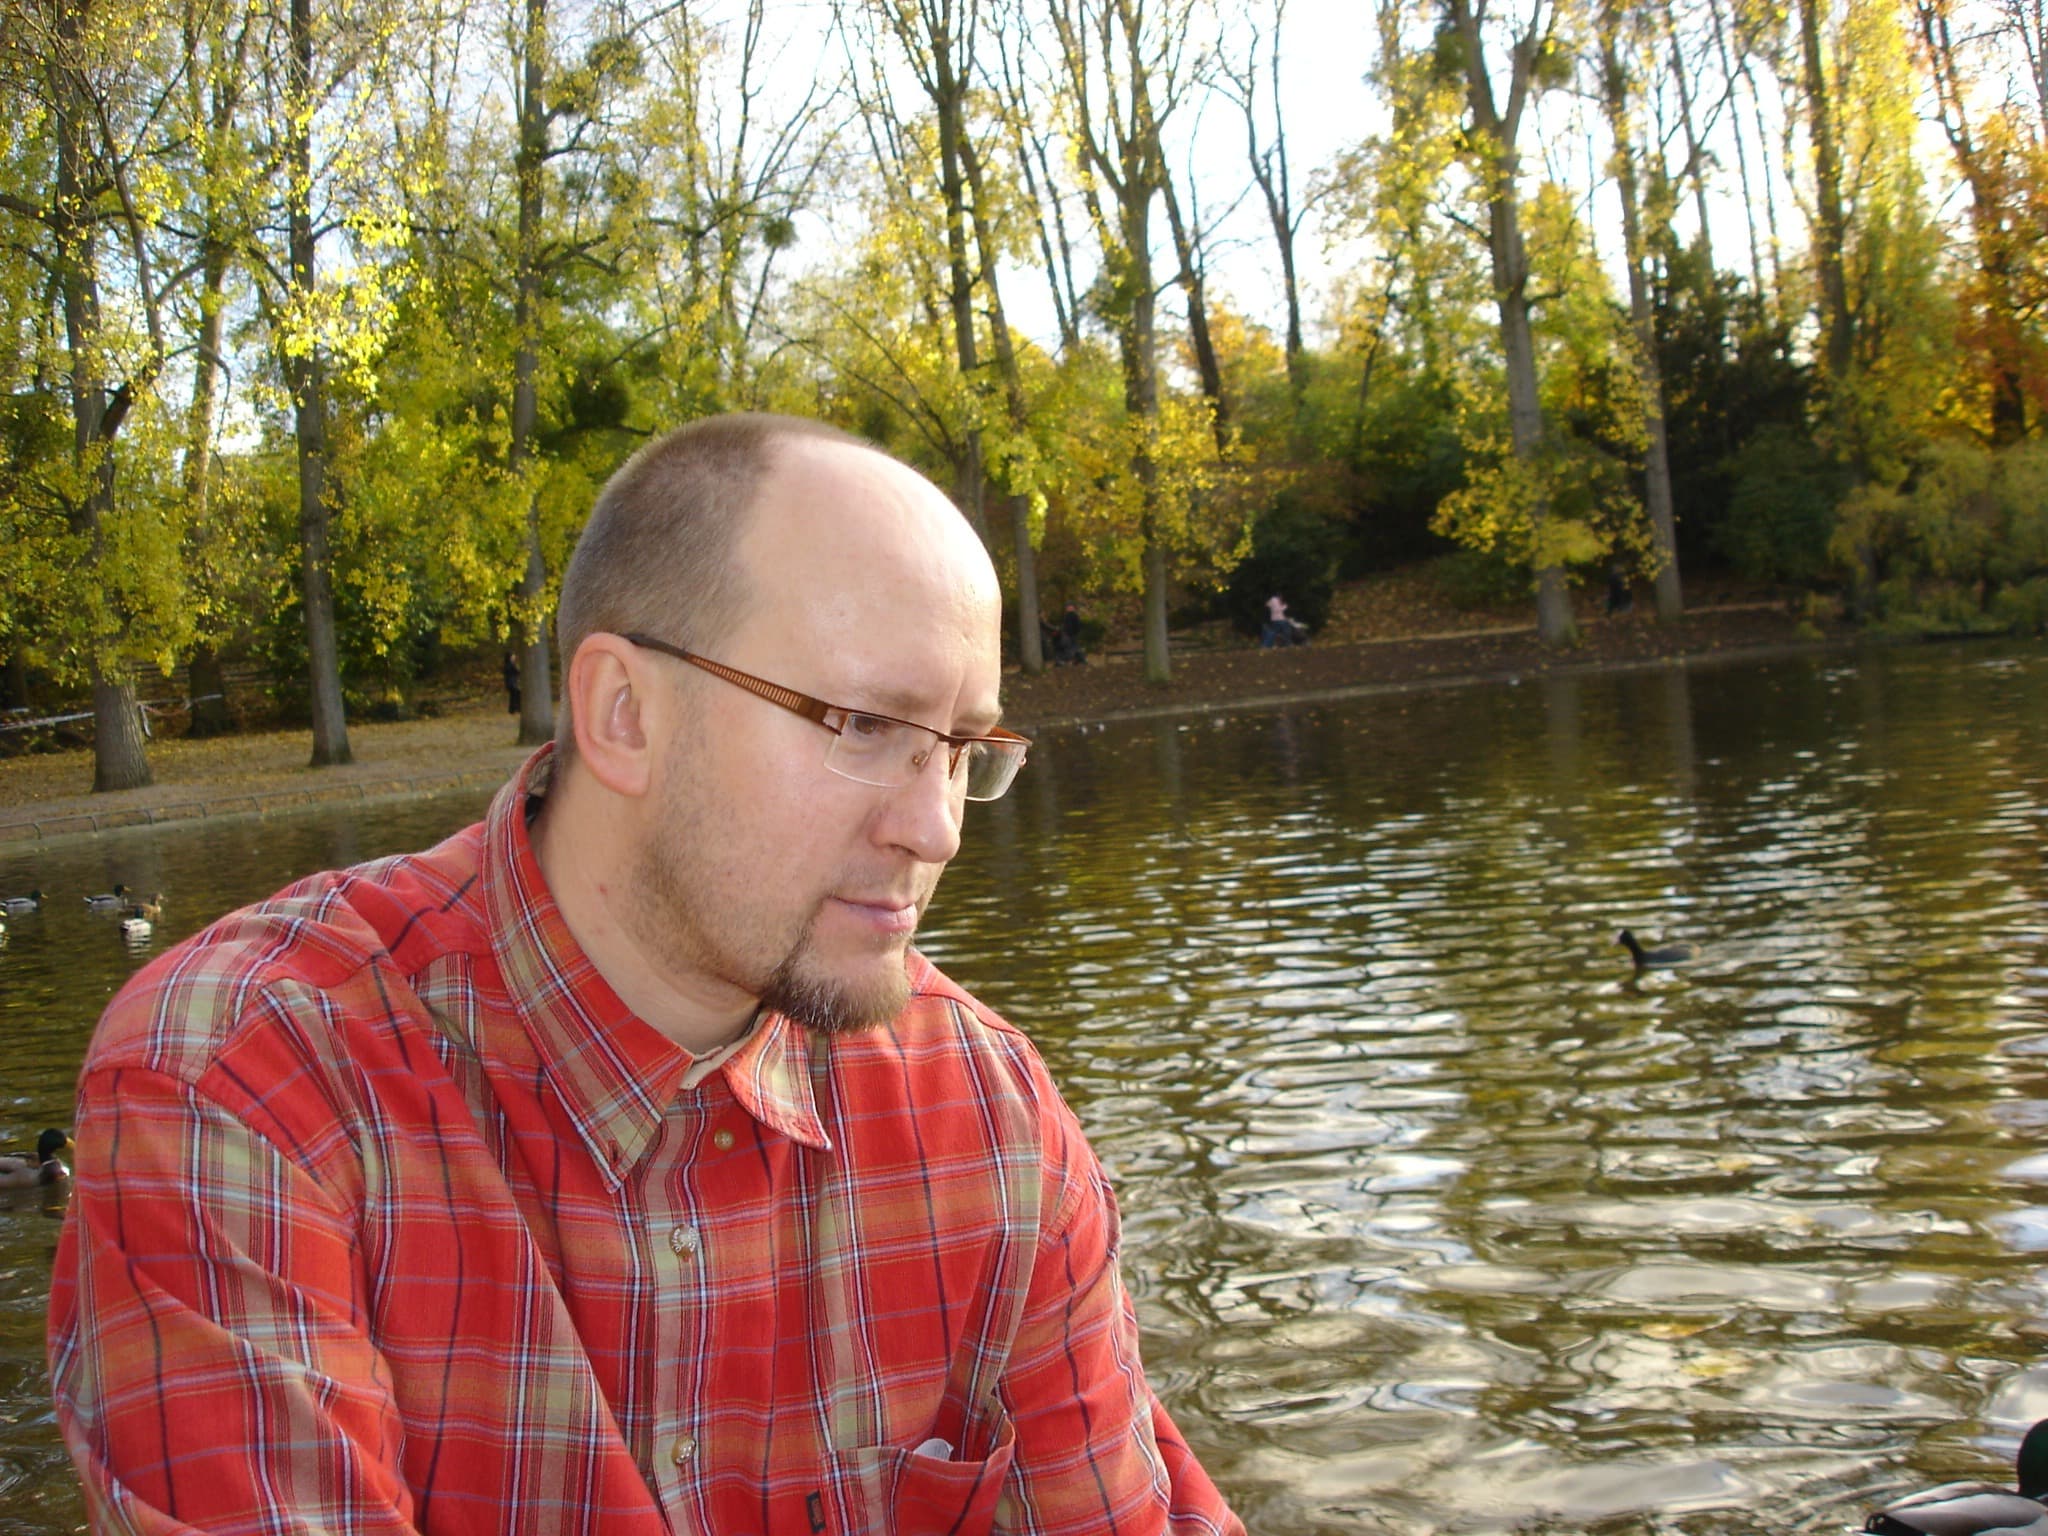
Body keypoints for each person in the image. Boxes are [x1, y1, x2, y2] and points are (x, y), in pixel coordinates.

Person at [47, 414, 1241, 1536]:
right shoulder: (246, 1082)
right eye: (863, 726)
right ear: (621, 712)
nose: (935, 830)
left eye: (962, 747)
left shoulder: (985, 1117)